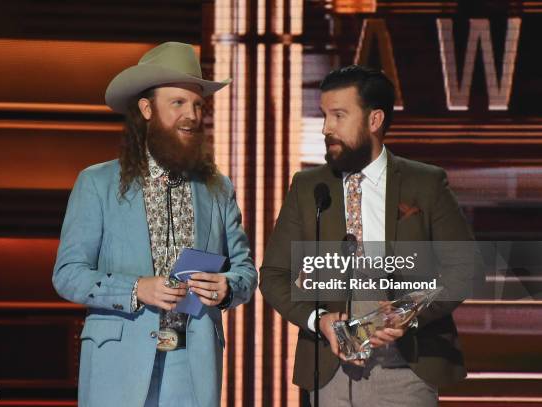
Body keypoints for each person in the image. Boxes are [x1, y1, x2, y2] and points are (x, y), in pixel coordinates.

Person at [52, 42, 257, 407]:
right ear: (146, 109)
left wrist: (226, 287)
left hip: (192, 361)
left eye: (197, 105)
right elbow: (68, 274)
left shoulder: (218, 188)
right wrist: (136, 289)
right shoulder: (97, 184)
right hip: (119, 363)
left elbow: (245, 271)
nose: (191, 114)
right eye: (178, 102)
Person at [260, 65, 479, 406]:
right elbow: (274, 276)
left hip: (407, 371)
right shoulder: (308, 187)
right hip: (329, 375)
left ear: (374, 120)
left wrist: (408, 312)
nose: (325, 128)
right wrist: (319, 321)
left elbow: (465, 269)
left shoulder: (425, 183)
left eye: (338, 115)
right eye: (324, 116)